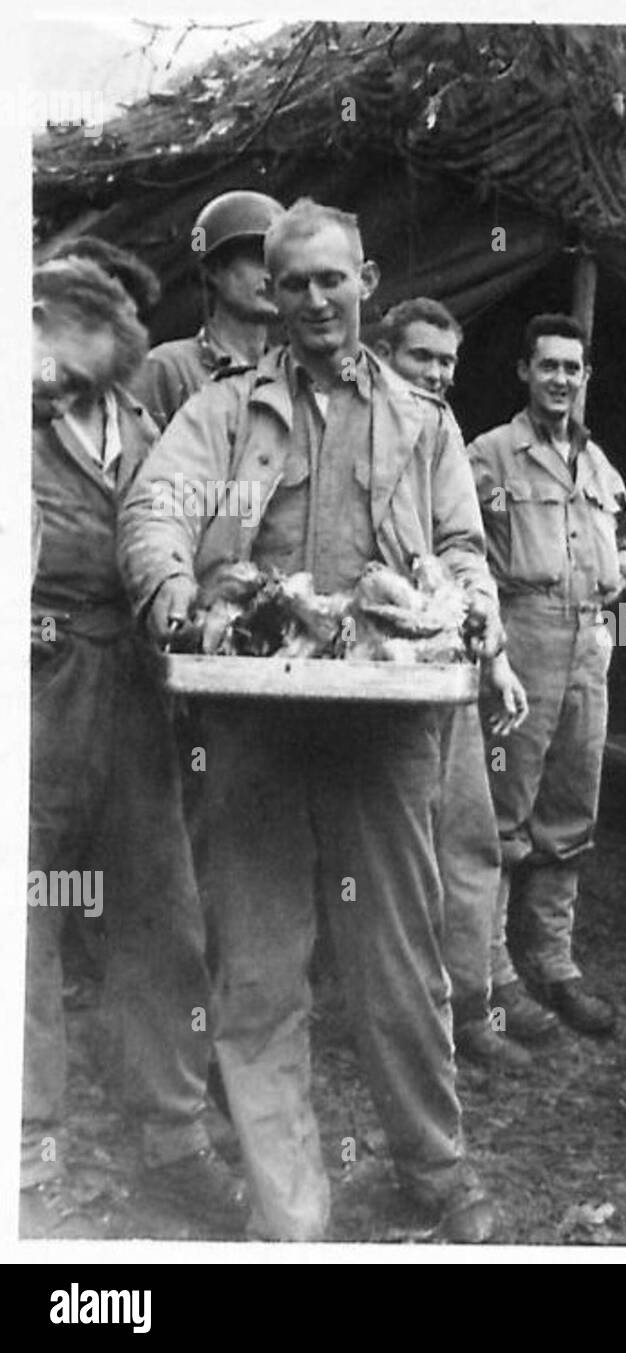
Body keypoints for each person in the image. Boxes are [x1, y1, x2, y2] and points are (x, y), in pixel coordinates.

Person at [118, 199, 509, 1243]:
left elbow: (466, 548)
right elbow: (155, 509)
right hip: (253, 727)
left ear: (366, 281)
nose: (313, 300)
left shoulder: (424, 422)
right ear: (271, 295)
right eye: (292, 284)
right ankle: (289, 1208)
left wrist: (468, 605)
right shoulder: (221, 412)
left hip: (382, 729)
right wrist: (173, 596)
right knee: (256, 968)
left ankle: (435, 1166)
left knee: (398, 961)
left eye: (331, 279)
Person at [27, 258, 240, 1237]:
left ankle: (171, 1135)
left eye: (73, 329)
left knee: (161, 904)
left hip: (137, 690)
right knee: (24, 909)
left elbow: (187, 541)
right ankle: (27, 1141)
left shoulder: (152, 436)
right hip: (35, 692)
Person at [468, 314, 626, 1038]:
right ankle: (490, 972)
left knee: (572, 806)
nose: (562, 380)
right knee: (503, 809)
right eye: (549, 367)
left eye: (573, 369)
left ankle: (553, 960)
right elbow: (456, 542)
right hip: (523, 633)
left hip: (588, 640)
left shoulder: (597, 463)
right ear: (524, 372)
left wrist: (620, 576)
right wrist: (488, 629)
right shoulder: (490, 454)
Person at [374, 298, 534, 1071]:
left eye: (446, 362)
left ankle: (467, 1006)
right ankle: (379, 1017)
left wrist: (489, 645)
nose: (435, 375)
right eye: (420, 359)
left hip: (438, 662)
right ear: (383, 353)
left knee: (469, 837)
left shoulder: (443, 435)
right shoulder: (349, 415)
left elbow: (465, 546)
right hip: (356, 669)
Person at [135, 189, 284, 429]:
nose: (271, 275)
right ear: (214, 270)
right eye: (258, 258)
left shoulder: (290, 376)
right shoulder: (168, 368)